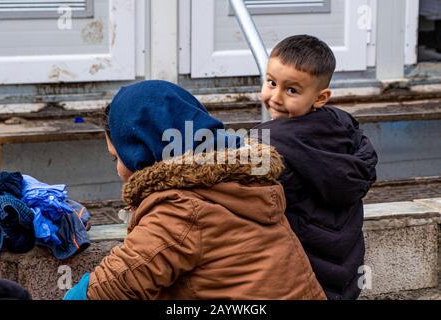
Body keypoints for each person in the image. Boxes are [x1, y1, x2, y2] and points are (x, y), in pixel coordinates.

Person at [64, 80, 326, 300]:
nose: (117, 169)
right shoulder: (242, 182)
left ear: (141, 154)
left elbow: (116, 284)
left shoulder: (182, 209)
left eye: (116, 157)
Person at [255, 35, 378, 300]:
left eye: (292, 91)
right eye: (271, 82)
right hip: (345, 276)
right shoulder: (343, 126)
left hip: (300, 278)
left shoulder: (267, 145)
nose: (275, 97)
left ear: (321, 97)